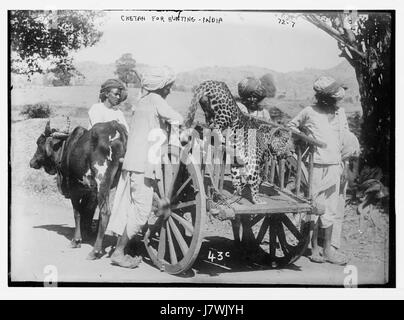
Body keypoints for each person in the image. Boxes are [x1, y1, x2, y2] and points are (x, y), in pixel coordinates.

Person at [106, 66, 184, 268]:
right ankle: (119, 252)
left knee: (132, 207)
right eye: (169, 86)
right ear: (161, 86)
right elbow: (178, 118)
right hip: (143, 165)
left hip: (133, 162)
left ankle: (121, 247)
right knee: (141, 211)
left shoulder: (141, 102)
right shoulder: (157, 100)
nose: (170, 90)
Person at [287, 76, 350, 265]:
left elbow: (345, 140)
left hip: (334, 166)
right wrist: (305, 137)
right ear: (324, 98)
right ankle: (314, 249)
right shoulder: (309, 112)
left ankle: (328, 250)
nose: (337, 102)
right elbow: (291, 126)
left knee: (330, 210)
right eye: (334, 99)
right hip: (315, 166)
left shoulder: (341, 114)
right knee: (314, 207)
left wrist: (345, 164)